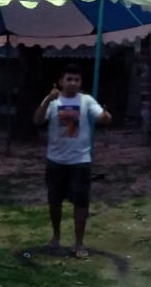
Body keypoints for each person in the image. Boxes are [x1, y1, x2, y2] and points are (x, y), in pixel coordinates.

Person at [32, 63, 112, 259]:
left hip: (80, 161)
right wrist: (46, 101)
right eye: (69, 79)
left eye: (76, 79)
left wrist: (105, 116)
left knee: (81, 203)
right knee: (54, 201)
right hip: (56, 160)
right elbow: (38, 120)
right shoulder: (52, 100)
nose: (73, 83)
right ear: (61, 81)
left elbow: (102, 117)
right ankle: (56, 236)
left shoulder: (86, 100)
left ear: (80, 82)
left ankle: (79, 243)